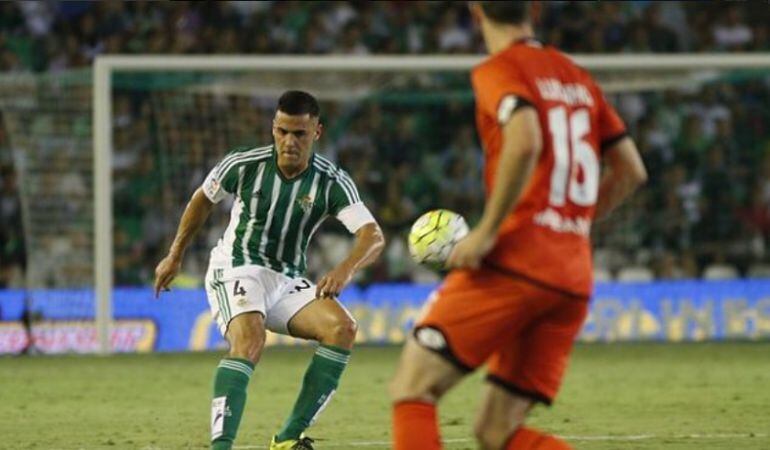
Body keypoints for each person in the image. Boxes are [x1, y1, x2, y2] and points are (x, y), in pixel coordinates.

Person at [389, 3, 647, 450]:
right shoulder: (577, 77)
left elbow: (525, 138)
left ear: (475, 11)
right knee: (496, 431)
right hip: (572, 275)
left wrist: (486, 231)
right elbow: (631, 171)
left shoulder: (499, 69)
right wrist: (567, 224)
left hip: (516, 262)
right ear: (535, 8)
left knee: (413, 387)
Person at [154, 90, 385, 450]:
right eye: (282, 132)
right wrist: (175, 254)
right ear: (273, 129)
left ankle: (288, 437)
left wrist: (345, 269)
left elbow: (373, 235)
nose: (289, 142)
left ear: (317, 133)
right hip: (237, 267)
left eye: (299, 134)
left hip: (287, 278)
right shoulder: (244, 164)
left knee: (343, 328)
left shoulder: (331, 181)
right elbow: (202, 199)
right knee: (250, 340)